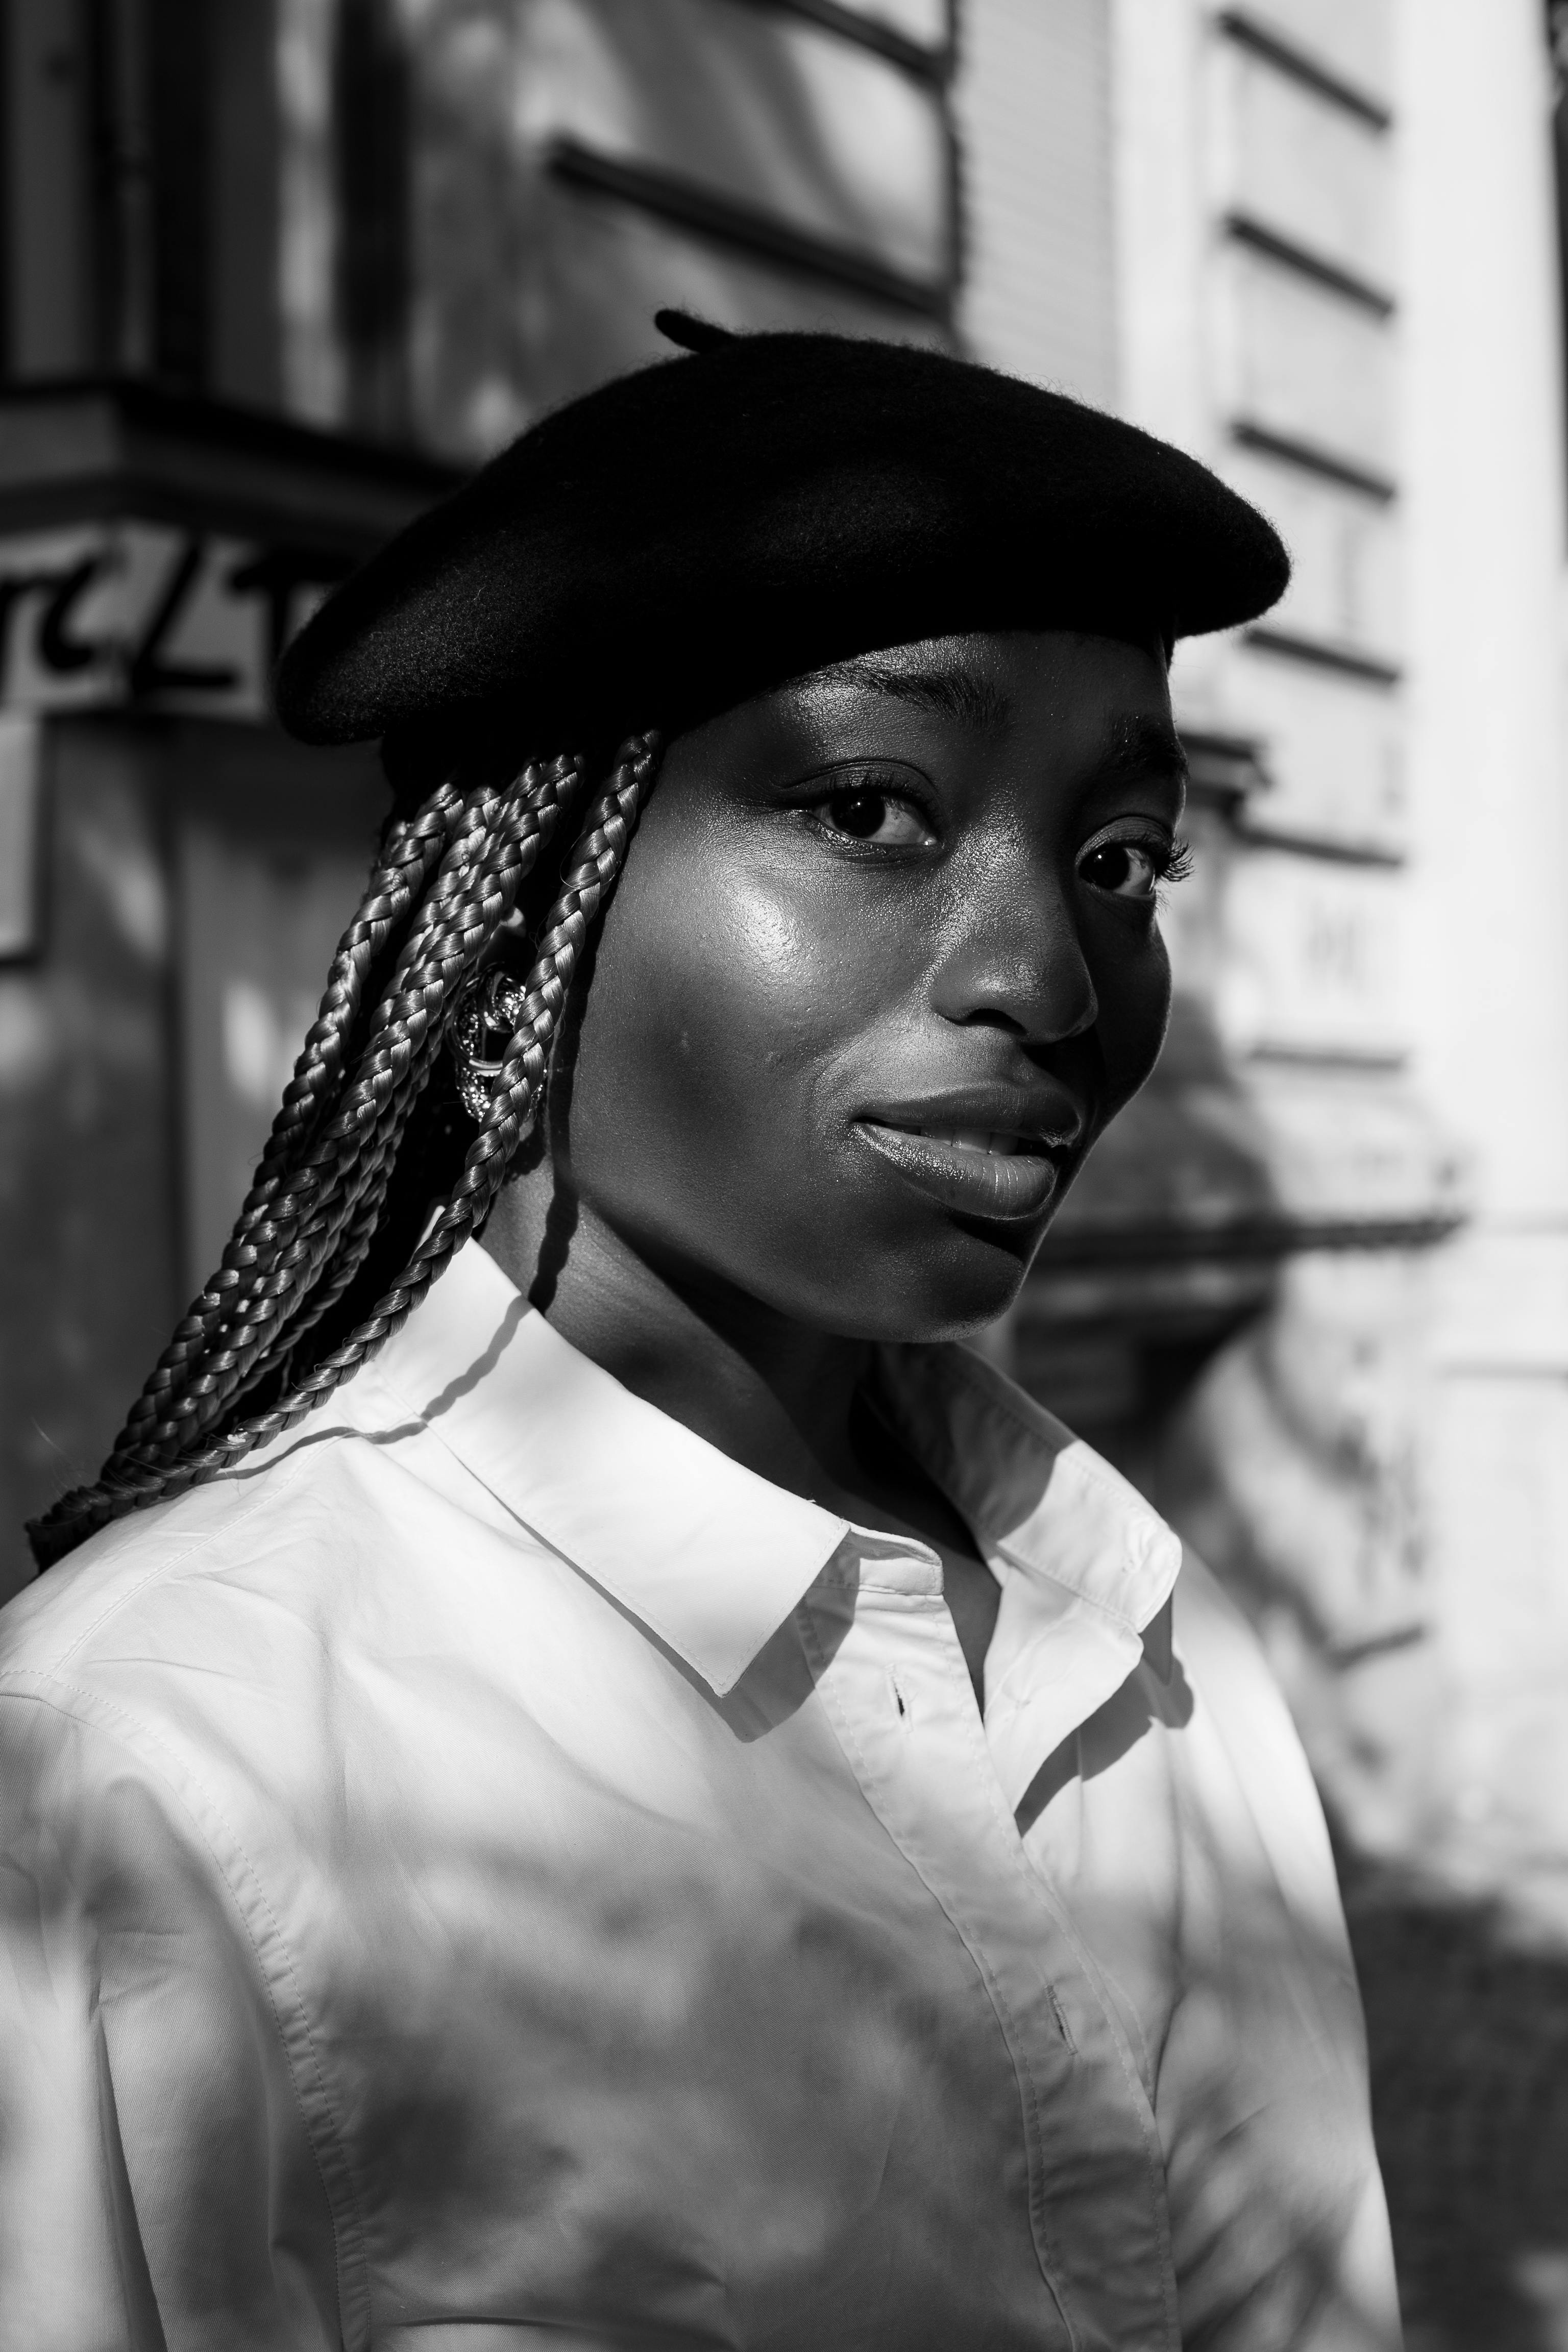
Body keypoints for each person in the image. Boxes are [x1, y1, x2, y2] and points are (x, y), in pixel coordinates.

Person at [0, 316, 1401, 2350]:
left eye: (1119, 860)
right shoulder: (141, 1774)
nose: (1048, 975)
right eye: (868, 810)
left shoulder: (1156, 1649)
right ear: (507, 950)